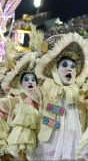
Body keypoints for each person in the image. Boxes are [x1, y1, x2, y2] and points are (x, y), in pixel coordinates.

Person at [28, 32, 88, 160]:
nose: (69, 69)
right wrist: (56, 119)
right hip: (49, 145)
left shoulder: (78, 96)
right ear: (55, 69)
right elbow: (36, 119)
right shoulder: (42, 92)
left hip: (73, 143)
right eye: (65, 65)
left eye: (72, 66)